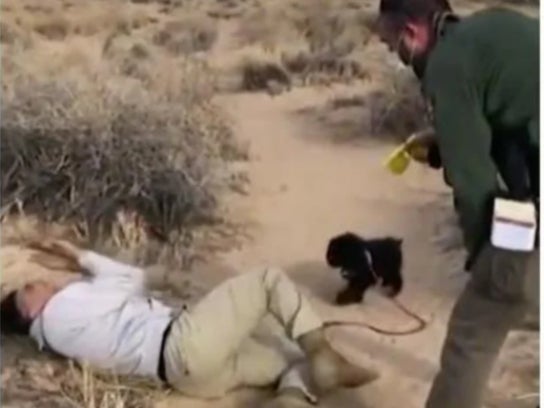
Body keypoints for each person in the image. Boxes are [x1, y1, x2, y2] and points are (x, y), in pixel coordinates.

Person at [375, 1, 539, 407]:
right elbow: (509, 121)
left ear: (411, 32)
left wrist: (484, 260)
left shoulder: (446, 67)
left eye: (391, 42)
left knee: (474, 330)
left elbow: (474, 183)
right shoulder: (490, 30)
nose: (392, 52)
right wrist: (440, 147)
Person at [0, 239, 378, 407]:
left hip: (189, 377)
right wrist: (82, 257)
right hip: (183, 343)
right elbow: (129, 281)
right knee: (267, 281)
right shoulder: (59, 312)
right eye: (30, 288)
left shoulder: (61, 335)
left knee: (291, 358)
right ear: (29, 312)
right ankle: (324, 353)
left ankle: (291, 399)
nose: (43, 283)